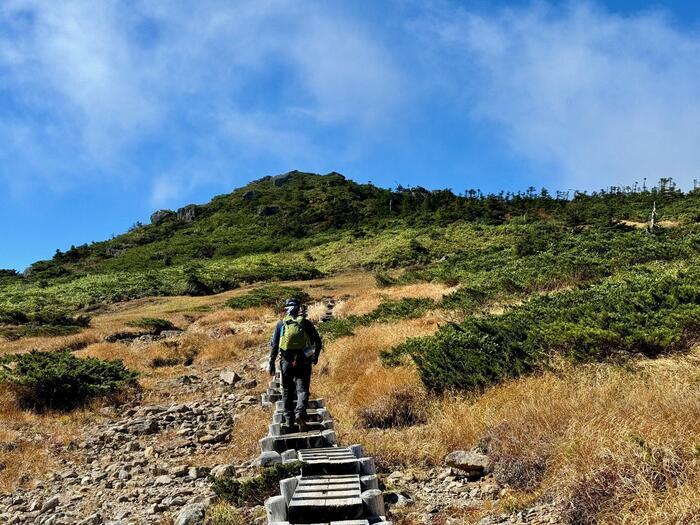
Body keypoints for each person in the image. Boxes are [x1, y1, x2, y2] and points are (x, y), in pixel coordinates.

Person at [269, 298, 323, 431]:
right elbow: (318, 341)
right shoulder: (305, 323)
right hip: (304, 360)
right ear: (298, 309)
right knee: (302, 389)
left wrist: (271, 362)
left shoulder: (281, 324)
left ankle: (288, 421)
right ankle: (300, 413)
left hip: (286, 361)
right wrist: (315, 357)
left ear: (286, 309)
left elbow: (275, 346)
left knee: (287, 391)